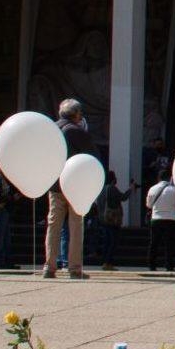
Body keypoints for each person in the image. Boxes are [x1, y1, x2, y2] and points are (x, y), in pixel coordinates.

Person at [44, 98, 93, 279]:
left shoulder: (51, 129)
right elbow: (92, 156)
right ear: (77, 115)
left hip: (54, 184)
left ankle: (49, 267)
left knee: (53, 225)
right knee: (76, 225)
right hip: (75, 185)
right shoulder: (77, 131)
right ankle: (74, 268)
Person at [145, 168, 175, 271]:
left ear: (158, 178)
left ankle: (151, 265)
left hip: (156, 219)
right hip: (171, 219)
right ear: (170, 178)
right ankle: (169, 265)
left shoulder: (152, 189)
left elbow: (148, 205)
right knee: (169, 244)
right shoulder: (174, 190)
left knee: (154, 243)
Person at [93, 171, 126, 270]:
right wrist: (131, 189)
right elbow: (123, 197)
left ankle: (105, 262)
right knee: (112, 241)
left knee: (106, 241)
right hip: (112, 219)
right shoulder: (112, 188)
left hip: (103, 219)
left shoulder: (101, 189)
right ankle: (108, 262)